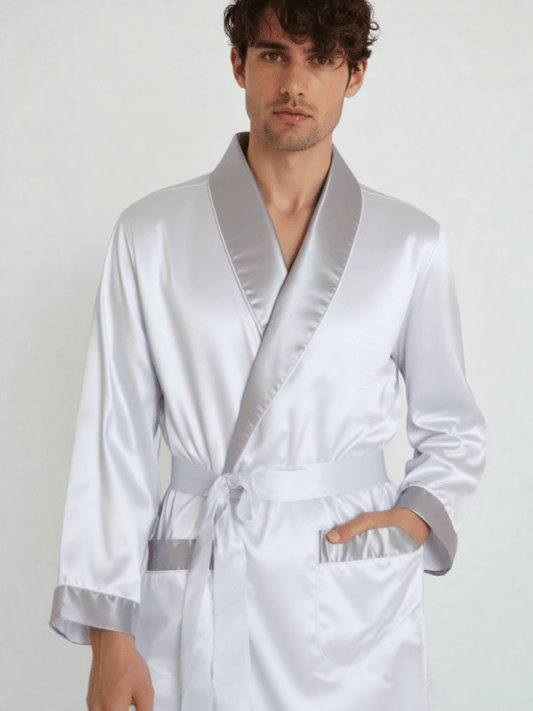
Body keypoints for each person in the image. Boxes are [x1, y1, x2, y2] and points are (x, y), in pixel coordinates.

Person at [49, 1, 486, 710]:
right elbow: (114, 441)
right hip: (198, 576)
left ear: (355, 75)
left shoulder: (410, 243)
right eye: (274, 54)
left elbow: (454, 427)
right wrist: (109, 638)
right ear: (239, 65)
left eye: (322, 60)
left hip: (352, 597)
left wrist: (411, 520)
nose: (295, 84)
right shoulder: (151, 233)